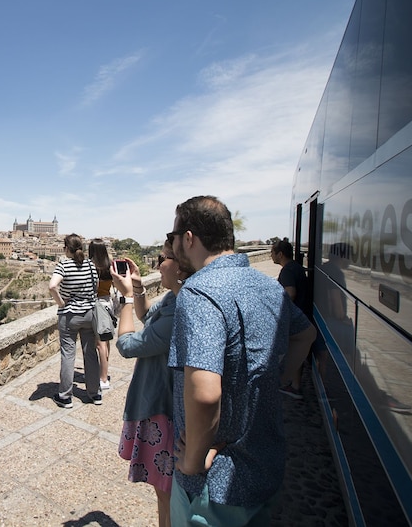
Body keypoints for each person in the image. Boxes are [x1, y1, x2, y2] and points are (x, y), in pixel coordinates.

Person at [167, 196, 316, 526]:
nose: (173, 245)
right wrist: (265, 385)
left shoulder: (198, 291)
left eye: (172, 237)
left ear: (189, 238)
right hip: (265, 470)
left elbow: (205, 393)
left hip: (214, 491)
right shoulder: (267, 286)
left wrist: (191, 462)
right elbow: (306, 335)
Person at [113, 242, 188, 527]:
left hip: (163, 407)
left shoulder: (181, 309)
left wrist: (127, 300)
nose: (158, 264)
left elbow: (127, 344)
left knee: (166, 493)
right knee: (163, 491)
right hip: (162, 403)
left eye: (163, 258)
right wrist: (139, 288)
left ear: (180, 265)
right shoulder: (173, 299)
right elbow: (148, 317)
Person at [49, 233, 102, 408]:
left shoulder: (64, 265)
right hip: (88, 314)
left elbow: (52, 286)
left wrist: (61, 303)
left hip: (69, 315)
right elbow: (96, 288)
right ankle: (95, 394)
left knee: (68, 354)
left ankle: (65, 396)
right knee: (91, 354)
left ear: (66, 248)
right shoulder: (90, 265)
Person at [271, 238, 315, 399]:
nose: (271, 256)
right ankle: (295, 383)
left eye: (272, 253)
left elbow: (290, 292)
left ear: (280, 254)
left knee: (293, 349)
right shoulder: (296, 267)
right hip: (304, 313)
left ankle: (295, 386)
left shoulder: (287, 271)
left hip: (295, 316)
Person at [88, 238, 115, 390]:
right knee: (106, 340)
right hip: (108, 303)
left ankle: (103, 378)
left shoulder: (91, 266)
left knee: (100, 344)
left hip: (97, 305)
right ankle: (104, 369)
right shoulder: (109, 264)